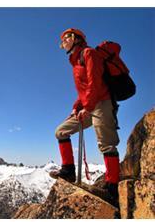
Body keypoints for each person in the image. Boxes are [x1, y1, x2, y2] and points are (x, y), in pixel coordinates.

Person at [49, 28, 120, 201]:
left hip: (101, 102)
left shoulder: (89, 54)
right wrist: (76, 106)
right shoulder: (74, 62)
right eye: (62, 41)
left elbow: (95, 83)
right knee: (61, 131)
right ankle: (68, 171)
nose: (63, 42)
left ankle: (112, 187)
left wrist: (86, 108)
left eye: (66, 38)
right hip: (88, 104)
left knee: (106, 143)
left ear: (76, 38)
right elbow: (84, 90)